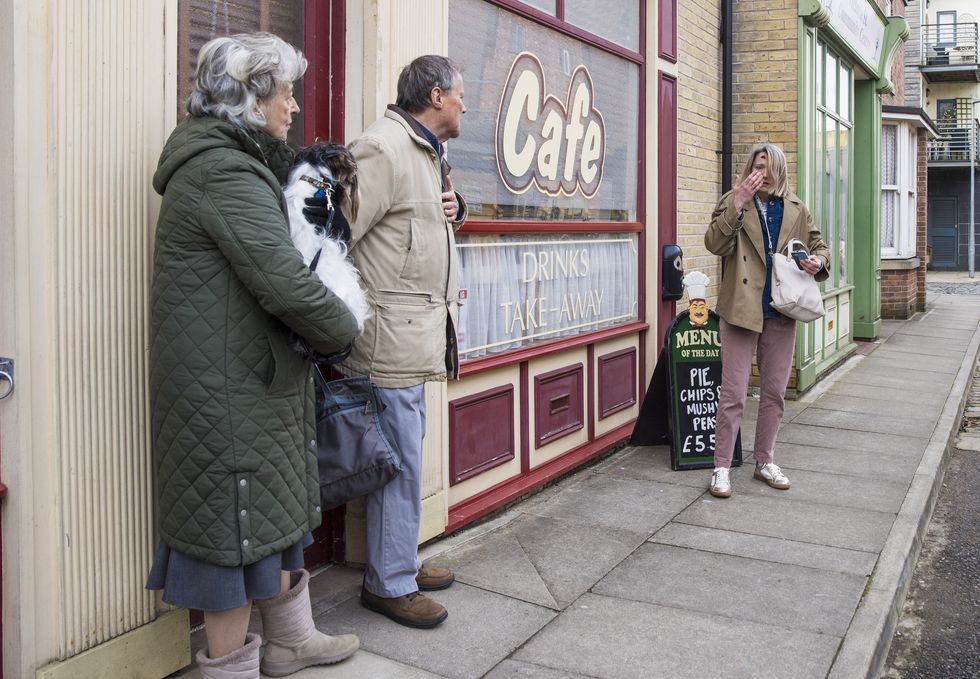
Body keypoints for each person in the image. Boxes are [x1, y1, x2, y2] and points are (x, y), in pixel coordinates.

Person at [146, 33, 360, 678]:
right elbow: (285, 281)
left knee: (269, 517)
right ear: (249, 100)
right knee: (231, 540)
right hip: (228, 396)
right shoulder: (224, 171)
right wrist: (343, 331)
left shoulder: (240, 164)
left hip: (249, 384)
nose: (294, 109)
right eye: (286, 94)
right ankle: (231, 670)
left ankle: (292, 641)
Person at [340, 54, 467, 629]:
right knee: (397, 466)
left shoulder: (424, 151)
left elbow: (414, 228)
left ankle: (397, 564)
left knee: (404, 461)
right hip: (386, 342)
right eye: (460, 94)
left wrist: (456, 209)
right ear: (436, 96)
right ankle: (388, 584)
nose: (466, 104)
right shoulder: (383, 148)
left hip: (414, 338)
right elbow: (332, 233)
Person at [703, 143, 830, 499]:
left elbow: (820, 246)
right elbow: (714, 243)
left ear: (779, 170)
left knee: (774, 393)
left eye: (768, 166)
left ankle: (765, 462)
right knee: (733, 395)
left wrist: (818, 262)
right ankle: (721, 468)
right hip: (741, 309)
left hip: (780, 309)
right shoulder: (734, 199)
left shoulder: (795, 207)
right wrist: (738, 203)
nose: (762, 173)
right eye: (757, 166)